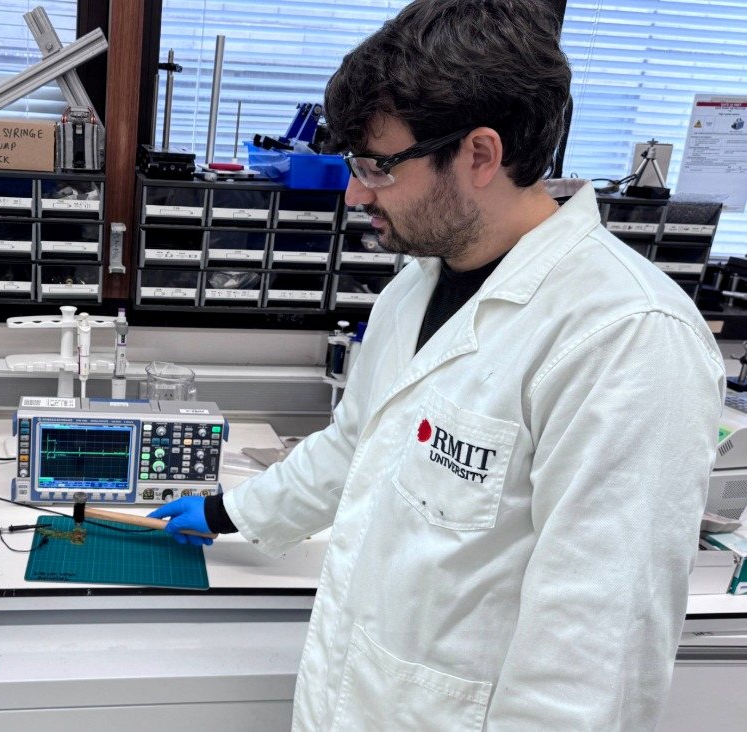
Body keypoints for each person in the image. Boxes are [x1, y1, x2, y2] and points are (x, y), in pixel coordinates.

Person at [151, 1, 724, 729]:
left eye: (376, 167)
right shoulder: (416, 284)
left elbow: (592, 664)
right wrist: (228, 511)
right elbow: (356, 447)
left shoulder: (625, 339)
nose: (355, 194)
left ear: (479, 155)